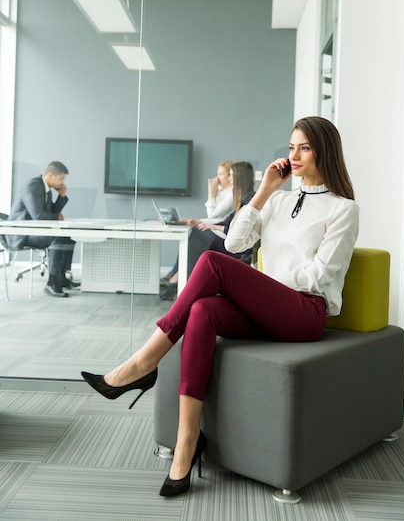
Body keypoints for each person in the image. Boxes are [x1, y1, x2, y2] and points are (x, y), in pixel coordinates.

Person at [81, 116, 359, 498]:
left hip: (304, 314)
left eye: (304, 148)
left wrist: (264, 288)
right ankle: (187, 442)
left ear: (323, 151)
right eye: (291, 146)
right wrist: (262, 193)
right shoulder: (278, 199)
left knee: (211, 265)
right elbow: (235, 242)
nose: (294, 155)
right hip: (271, 309)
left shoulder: (343, 209)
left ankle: (143, 364)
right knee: (202, 312)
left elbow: (320, 276)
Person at [161, 161, 254, 300]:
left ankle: (183, 284)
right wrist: (200, 222)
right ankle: (183, 283)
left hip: (236, 248)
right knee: (197, 232)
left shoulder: (249, 198)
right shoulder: (243, 197)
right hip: (229, 240)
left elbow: (235, 229)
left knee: (197, 235)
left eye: (231, 176)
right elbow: (227, 220)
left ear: (240, 177)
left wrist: (213, 226)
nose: (229, 179)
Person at [6, 161, 79, 298]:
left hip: (34, 231)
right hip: (21, 234)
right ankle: (52, 282)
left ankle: (60, 277)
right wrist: (56, 216)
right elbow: (39, 216)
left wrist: (61, 196)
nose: (62, 182)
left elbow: (52, 214)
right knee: (57, 237)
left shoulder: (46, 189)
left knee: (69, 236)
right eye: (61, 178)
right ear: (50, 175)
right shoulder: (32, 186)